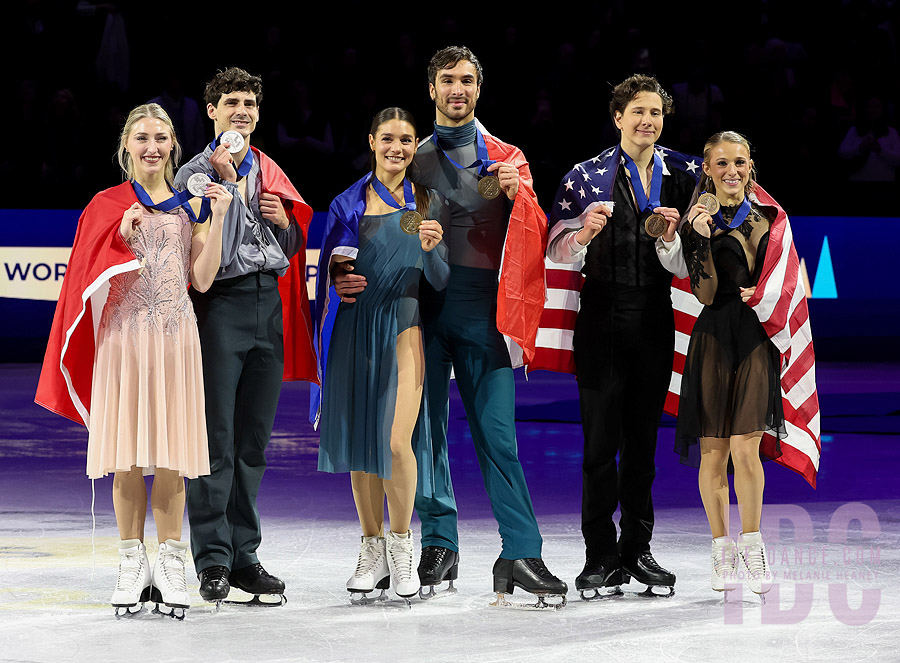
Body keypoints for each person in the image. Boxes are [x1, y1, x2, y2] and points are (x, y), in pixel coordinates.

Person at [35, 103, 230, 617]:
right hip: (123, 337)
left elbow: (203, 279)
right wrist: (118, 236)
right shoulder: (106, 204)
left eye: (161, 138)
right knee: (127, 456)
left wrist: (223, 216)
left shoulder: (193, 206)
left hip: (174, 336)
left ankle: (169, 562)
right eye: (142, 137)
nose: (152, 147)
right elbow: (84, 274)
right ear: (126, 145)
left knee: (168, 455)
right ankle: (130, 561)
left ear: (173, 146)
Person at [405, 45, 567, 606]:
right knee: (424, 435)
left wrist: (520, 198)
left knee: (499, 437)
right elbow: (387, 221)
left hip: (484, 314)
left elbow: (535, 231)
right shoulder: (412, 156)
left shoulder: (508, 157)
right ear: (432, 88)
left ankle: (520, 552)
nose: (458, 90)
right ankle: (439, 543)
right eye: (448, 80)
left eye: (467, 80)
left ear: (480, 88)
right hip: (423, 311)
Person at [544, 74, 697, 599]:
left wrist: (676, 236)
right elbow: (556, 251)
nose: (647, 121)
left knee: (643, 445)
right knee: (599, 445)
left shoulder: (684, 172)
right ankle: (600, 556)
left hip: (656, 317)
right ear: (617, 117)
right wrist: (583, 230)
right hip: (602, 316)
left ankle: (638, 550)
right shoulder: (586, 178)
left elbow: (694, 256)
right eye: (638, 112)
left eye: (655, 113)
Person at [173, 67, 316, 605]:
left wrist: (283, 222)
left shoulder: (270, 167)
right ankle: (212, 559)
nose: (241, 111)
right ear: (211, 111)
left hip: (267, 303)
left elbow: (292, 239)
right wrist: (223, 185)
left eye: (250, 104)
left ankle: (244, 556)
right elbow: (189, 249)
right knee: (216, 438)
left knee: (254, 441)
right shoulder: (192, 173)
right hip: (218, 305)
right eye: (231, 101)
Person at [667, 131, 818, 595]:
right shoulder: (697, 222)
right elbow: (706, 293)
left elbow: (798, 285)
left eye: (740, 162)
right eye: (721, 163)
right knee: (712, 452)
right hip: (713, 338)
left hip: (756, 337)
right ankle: (721, 550)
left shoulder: (772, 219)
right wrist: (696, 237)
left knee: (745, 449)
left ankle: (752, 546)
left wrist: (768, 296)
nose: (732, 171)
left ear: (751, 166)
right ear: (708, 169)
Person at [314, 107, 449, 603]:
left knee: (394, 442)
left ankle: (401, 547)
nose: (397, 147)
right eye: (388, 138)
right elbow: (330, 269)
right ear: (371, 141)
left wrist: (434, 250)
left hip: (404, 325)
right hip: (354, 327)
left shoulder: (429, 200)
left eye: (407, 140)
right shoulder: (347, 202)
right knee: (359, 443)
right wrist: (336, 279)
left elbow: (441, 281)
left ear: (416, 146)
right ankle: (370, 547)